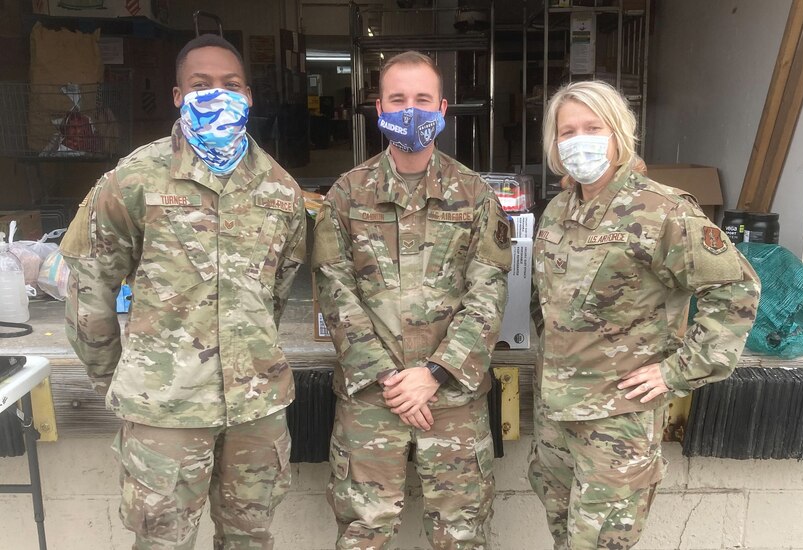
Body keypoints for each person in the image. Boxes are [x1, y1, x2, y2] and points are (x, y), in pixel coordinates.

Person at [60, 34, 306, 549]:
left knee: (250, 540)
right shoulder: (132, 180)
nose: (217, 93)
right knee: (163, 543)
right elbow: (90, 294)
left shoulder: (280, 189)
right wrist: (119, 381)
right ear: (177, 96)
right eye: (201, 84)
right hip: (164, 411)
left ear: (249, 95)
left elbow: (276, 295)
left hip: (255, 411)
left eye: (230, 84)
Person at [528, 80, 760, 549]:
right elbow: (546, 304)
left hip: (617, 423)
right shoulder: (557, 210)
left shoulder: (663, 211)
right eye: (566, 131)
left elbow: (735, 290)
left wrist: (677, 371)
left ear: (619, 133)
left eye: (592, 127)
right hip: (555, 419)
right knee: (563, 537)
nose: (578, 140)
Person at [312, 50, 511, 549]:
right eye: (398, 99)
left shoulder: (474, 196)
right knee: (363, 534)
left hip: (452, 401)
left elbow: (488, 293)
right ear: (379, 108)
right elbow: (333, 290)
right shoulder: (346, 194)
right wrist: (388, 377)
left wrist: (435, 373)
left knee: (461, 535)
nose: (410, 110)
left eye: (422, 100)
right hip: (371, 400)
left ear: (442, 109)